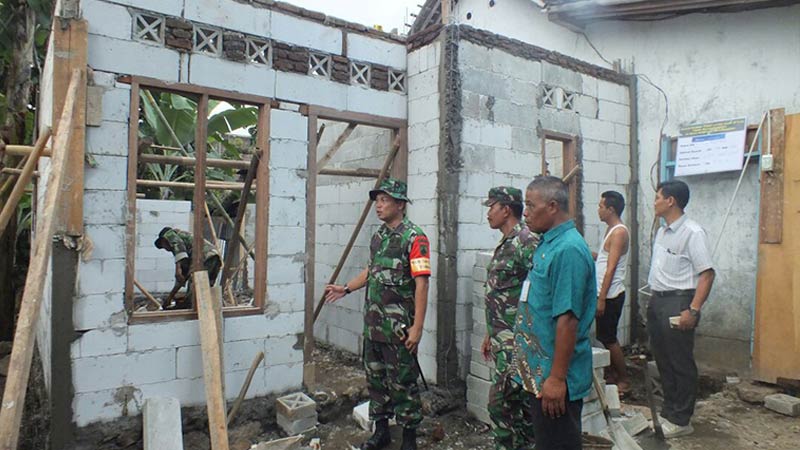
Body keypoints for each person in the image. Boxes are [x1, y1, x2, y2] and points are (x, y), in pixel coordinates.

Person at [324, 178, 430, 450]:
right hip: (374, 326)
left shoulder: (414, 238)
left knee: (403, 385)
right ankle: (381, 431)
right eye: (377, 200)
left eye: (384, 200)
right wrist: (346, 288)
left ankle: (409, 439)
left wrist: (417, 327)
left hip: (399, 331)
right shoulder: (379, 236)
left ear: (400, 204)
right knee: (376, 382)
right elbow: (372, 272)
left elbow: (422, 283)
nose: (379, 205)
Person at [512, 176, 596, 450]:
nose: (524, 212)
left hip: (555, 377)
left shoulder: (568, 250)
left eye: (529, 205)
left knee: (559, 444)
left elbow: (568, 320)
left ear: (551, 207)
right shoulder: (548, 243)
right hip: (541, 372)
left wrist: (557, 379)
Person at [647, 180, 715, 438]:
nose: (655, 203)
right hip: (658, 300)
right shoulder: (663, 232)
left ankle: (682, 419)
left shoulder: (693, 232)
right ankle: (669, 411)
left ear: (670, 201)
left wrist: (693, 310)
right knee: (663, 358)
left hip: (679, 301)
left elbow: (707, 274)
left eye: (657, 197)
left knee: (680, 361)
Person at [481, 187, 539, 450]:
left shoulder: (525, 241)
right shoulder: (507, 242)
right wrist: (489, 334)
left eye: (491, 206)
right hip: (502, 338)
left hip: (518, 341)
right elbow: (501, 294)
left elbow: (539, 289)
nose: (487, 213)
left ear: (506, 209)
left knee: (499, 405)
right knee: (518, 406)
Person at [594, 190, 630, 394]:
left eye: (601, 206)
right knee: (604, 335)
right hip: (605, 293)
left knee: (609, 338)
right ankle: (613, 374)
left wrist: (601, 298)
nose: (598, 210)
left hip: (610, 295)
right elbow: (606, 259)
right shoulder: (611, 230)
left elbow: (612, 267)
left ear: (611, 209)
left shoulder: (619, 232)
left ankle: (624, 379)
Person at [154, 227, 221, 307]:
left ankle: (190, 308)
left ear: (164, 240)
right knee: (205, 287)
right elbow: (181, 278)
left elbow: (177, 245)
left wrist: (177, 269)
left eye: (163, 246)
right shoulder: (185, 253)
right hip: (213, 256)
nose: (165, 249)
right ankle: (205, 309)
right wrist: (170, 297)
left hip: (203, 255)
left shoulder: (170, 234)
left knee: (194, 285)